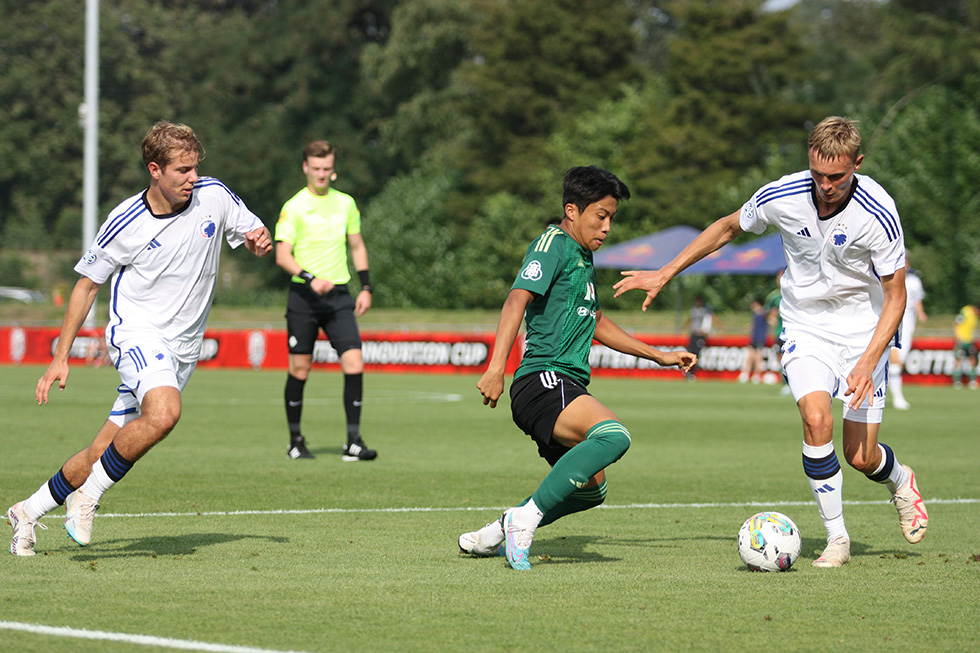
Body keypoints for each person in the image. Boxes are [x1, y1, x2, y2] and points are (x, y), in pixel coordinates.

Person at [613, 116, 928, 567]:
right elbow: (726, 228)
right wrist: (665, 271)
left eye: (836, 176)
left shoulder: (879, 211)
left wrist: (868, 359)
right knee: (816, 420)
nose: (825, 185)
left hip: (864, 332)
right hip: (805, 326)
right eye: (817, 173)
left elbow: (895, 296)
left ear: (857, 164)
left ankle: (900, 480)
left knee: (860, 456)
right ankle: (837, 538)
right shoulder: (781, 195)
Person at [6, 121, 273, 556]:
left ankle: (26, 512)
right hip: (136, 334)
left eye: (195, 167)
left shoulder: (215, 195)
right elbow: (86, 286)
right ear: (154, 169)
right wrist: (60, 357)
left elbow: (253, 236)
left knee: (102, 450)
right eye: (181, 170)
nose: (192, 178)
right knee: (165, 413)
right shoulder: (126, 220)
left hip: (182, 350)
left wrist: (260, 242)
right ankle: (87, 498)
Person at [457, 166, 696, 571]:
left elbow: (596, 322)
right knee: (613, 435)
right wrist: (497, 366)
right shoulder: (552, 243)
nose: (606, 227)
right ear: (572, 210)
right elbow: (516, 300)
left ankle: (500, 529)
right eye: (600, 215)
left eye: (611, 218)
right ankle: (525, 520)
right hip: (543, 378)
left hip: (562, 385)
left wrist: (659, 355)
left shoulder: (582, 257)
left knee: (591, 491)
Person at [274, 140, 376, 461]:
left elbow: (357, 245)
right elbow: (282, 255)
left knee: (354, 361)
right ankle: (295, 440)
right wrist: (310, 278)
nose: (321, 174)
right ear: (305, 167)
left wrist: (366, 287)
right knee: (300, 369)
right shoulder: (294, 206)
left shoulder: (346, 203)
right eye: (315, 168)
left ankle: (353, 441)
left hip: (339, 297)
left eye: (326, 169)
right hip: (303, 297)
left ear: (334, 170)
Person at [888, 260, 927, 408]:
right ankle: (897, 398)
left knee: (900, 359)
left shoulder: (914, 281)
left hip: (908, 320)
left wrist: (921, 313)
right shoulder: (885, 277)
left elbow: (917, 300)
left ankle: (895, 395)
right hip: (889, 317)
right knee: (895, 358)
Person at [763, 269, 791, 393]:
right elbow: (769, 314)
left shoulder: (793, 293)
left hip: (793, 331)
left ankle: (792, 383)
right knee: (780, 357)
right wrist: (772, 318)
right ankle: (785, 382)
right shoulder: (774, 297)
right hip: (779, 332)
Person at [684, 295, 715, 381]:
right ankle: (688, 371)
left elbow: (710, 319)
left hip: (700, 335)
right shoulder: (693, 310)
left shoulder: (705, 311)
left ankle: (692, 372)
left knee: (697, 354)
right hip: (693, 334)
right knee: (690, 352)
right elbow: (690, 319)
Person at [738, 298, 767, 383]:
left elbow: (771, 319)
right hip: (753, 338)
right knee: (749, 356)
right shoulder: (755, 314)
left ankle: (757, 375)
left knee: (758, 357)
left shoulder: (763, 313)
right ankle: (745, 374)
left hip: (760, 338)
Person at [952, 304, 979, 389]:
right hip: (961, 340)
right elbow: (956, 323)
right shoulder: (965, 311)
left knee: (973, 359)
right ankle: (957, 381)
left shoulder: (975, 316)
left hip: (969, 341)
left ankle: (972, 381)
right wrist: (958, 337)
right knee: (958, 359)